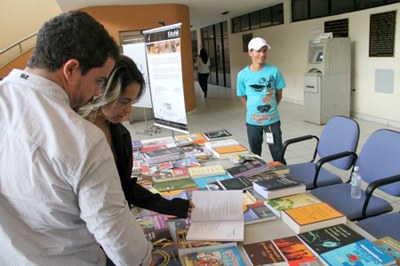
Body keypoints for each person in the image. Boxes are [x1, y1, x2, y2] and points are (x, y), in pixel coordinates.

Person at [0, 11, 153, 265]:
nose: (97, 93)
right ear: (71, 69)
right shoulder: (83, 139)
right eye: (99, 81)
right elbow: (123, 246)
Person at [79, 54, 192, 218]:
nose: (129, 110)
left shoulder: (120, 134)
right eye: (124, 101)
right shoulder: (73, 131)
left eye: (132, 102)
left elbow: (124, 186)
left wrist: (172, 206)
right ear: (102, 92)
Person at [236, 37, 286, 163]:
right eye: (258, 51)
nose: (262, 54)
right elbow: (242, 96)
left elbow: (279, 93)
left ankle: (283, 177)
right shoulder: (242, 75)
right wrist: (251, 109)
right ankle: (257, 178)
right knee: (255, 154)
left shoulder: (274, 71)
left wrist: (271, 107)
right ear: (250, 53)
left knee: (277, 152)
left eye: (264, 51)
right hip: (252, 122)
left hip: (272, 121)